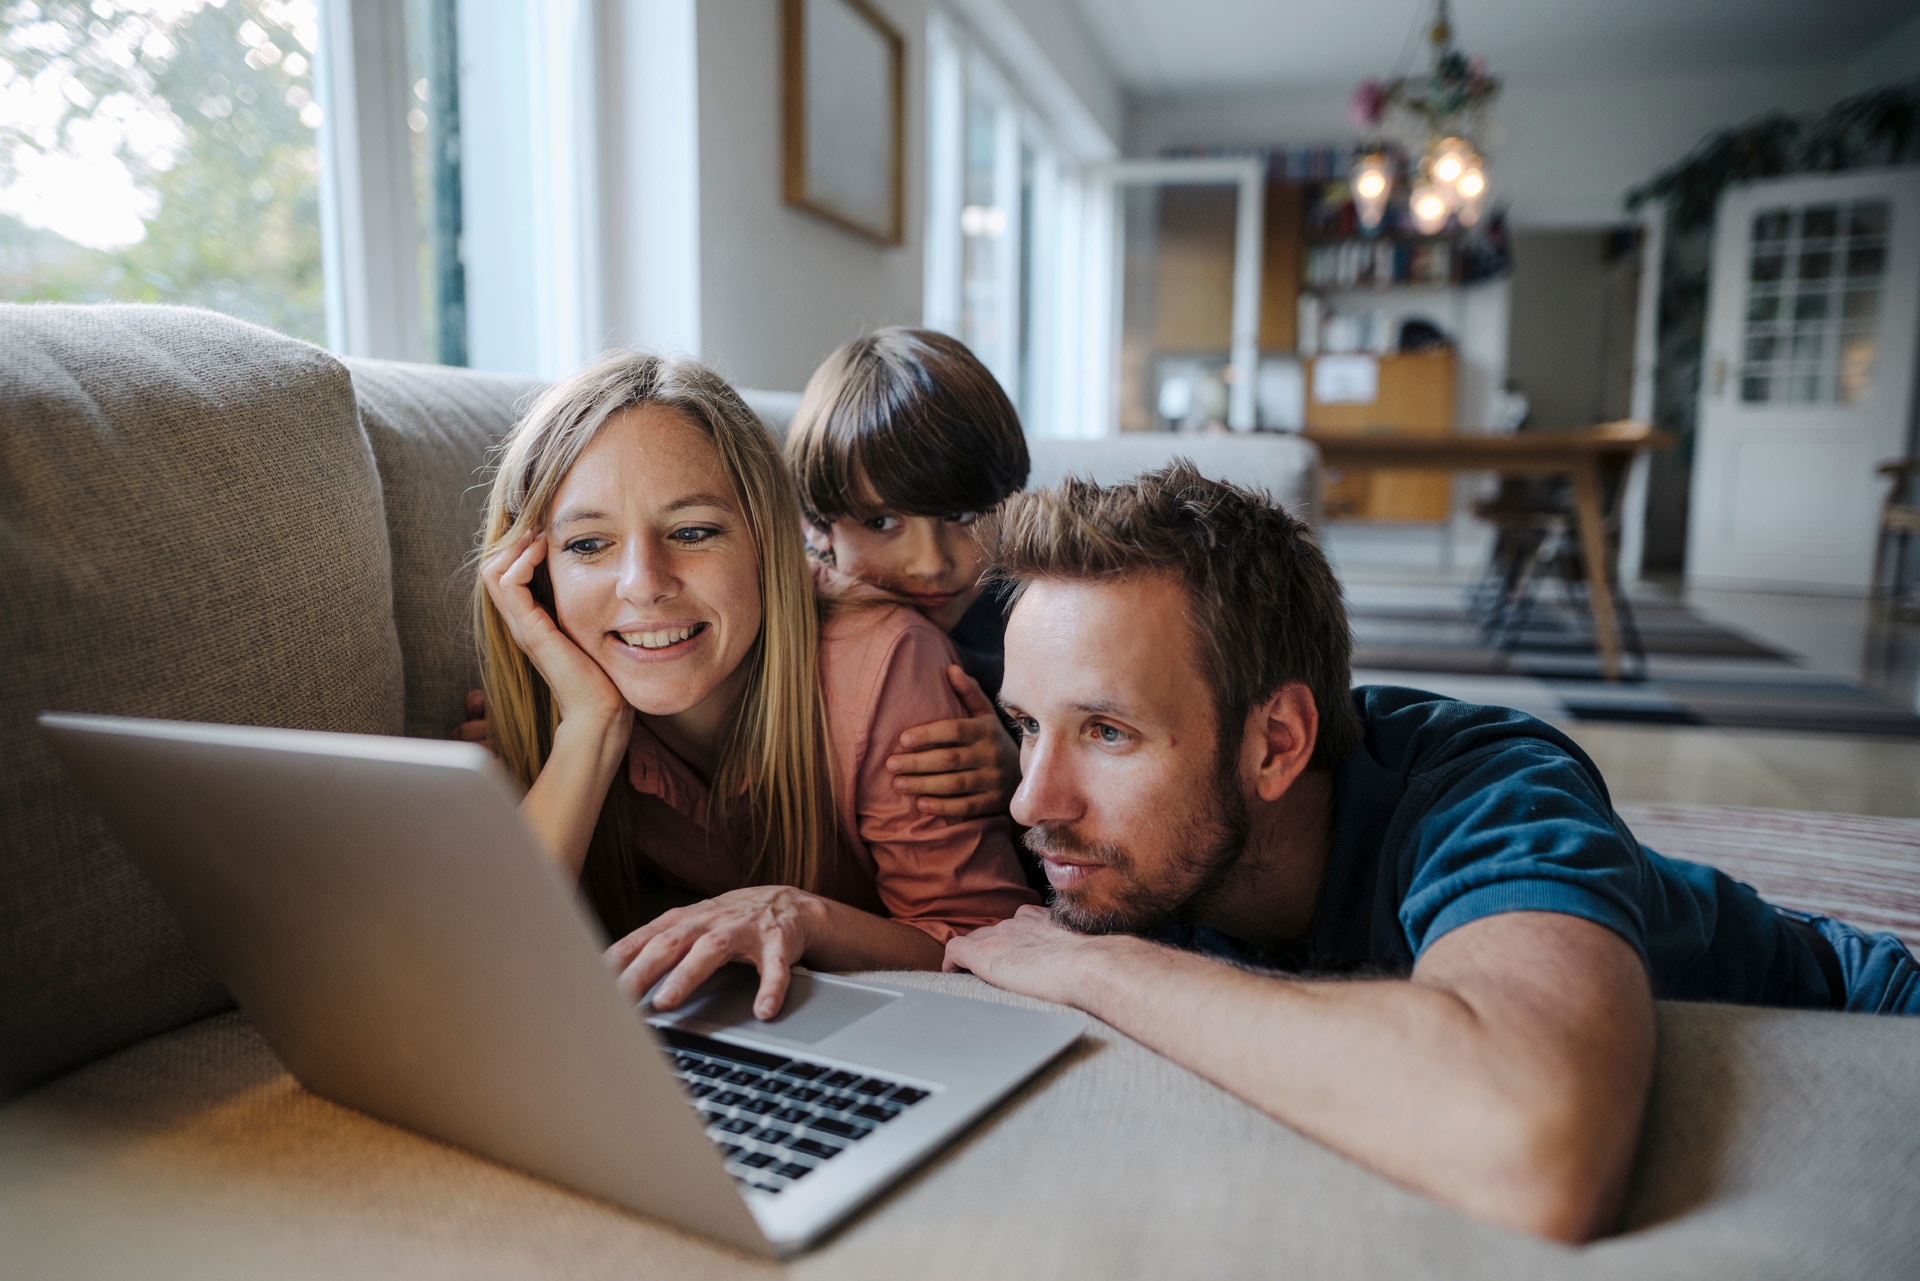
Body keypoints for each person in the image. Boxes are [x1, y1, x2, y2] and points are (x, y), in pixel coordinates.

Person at [943, 462, 1920, 1244]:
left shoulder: (1488, 788)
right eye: (1025, 724)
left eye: (1107, 732)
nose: (1034, 799)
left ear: (1277, 743)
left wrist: (1093, 966)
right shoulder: (1111, 830)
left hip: (1863, 1020)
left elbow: (1535, 1147)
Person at [476, 351, 1036, 1020]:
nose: (644, 584)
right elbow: (481, 979)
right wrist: (589, 730)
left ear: (771, 541)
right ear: (536, 574)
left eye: (692, 531)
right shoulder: (559, 680)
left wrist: (803, 915)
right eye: (589, 545)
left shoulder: (894, 660)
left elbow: (988, 950)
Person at [785, 327, 1028, 825]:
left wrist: (1023, 776)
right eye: (881, 523)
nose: (929, 562)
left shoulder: (1039, 623)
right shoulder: (791, 638)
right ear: (818, 525)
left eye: (962, 515)